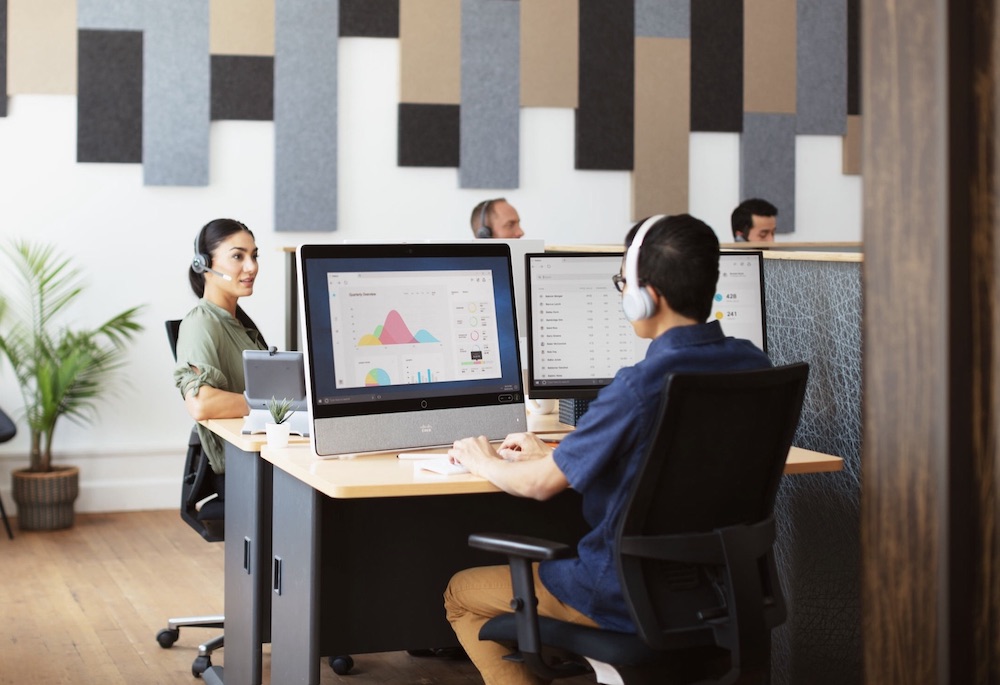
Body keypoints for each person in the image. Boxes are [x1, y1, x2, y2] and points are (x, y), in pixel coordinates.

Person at [443, 214, 772, 685]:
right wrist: (559, 451)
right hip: (723, 591)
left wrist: (484, 459)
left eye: (624, 283)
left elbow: (537, 487)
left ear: (646, 296)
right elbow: (668, 455)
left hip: (620, 595)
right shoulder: (752, 364)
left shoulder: (640, 385)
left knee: (459, 593)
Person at [173, 218, 269, 475]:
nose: (251, 267)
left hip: (263, 452)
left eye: (254, 256)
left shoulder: (239, 324)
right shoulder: (201, 323)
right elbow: (201, 404)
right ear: (203, 264)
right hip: (242, 468)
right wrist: (274, 406)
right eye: (238, 256)